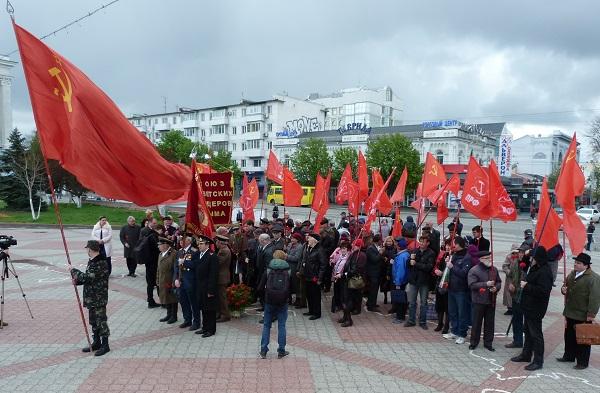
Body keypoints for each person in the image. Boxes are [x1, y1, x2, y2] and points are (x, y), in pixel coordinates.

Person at [510, 246, 553, 371]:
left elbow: (544, 291)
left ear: (538, 258)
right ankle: (526, 354)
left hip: (536, 308)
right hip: (528, 306)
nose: (531, 259)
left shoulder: (545, 272)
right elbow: (523, 261)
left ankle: (538, 361)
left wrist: (527, 286)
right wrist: (528, 253)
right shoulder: (535, 267)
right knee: (527, 332)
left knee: (536, 334)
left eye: (534, 257)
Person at [557, 253, 600, 370]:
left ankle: (582, 361)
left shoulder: (594, 278)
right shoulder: (572, 274)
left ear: (586, 266)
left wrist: (591, 314)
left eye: (578, 263)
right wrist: (563, 290)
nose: (575, 264)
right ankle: (569, 356)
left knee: (583, 339)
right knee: (569, 336)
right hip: (570, 311)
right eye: (575, 262)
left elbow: (595, 298)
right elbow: (565, 287)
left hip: (583, 314)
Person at [68, 240, 110, 356]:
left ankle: (105, 345)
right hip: (91, 297)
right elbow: (91, 280)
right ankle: (96, 342)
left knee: (101, 321)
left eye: (87, 249)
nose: (86, 250)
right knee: (93, 321)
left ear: (90, 249)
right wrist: (77, 282)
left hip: (98, 298)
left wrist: (73, 270)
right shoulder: (92, 261)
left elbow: (88, 277)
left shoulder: (100, 262)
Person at [258, 254, 291, 359]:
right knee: (281, 326)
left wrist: (264, 297)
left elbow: (260, 287)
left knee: (266, 325)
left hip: (269, 301)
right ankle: (281, 350)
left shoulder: (268, 270)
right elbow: (293, 287)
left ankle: (263, 350)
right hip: (282, 302)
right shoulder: (288, 270)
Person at [468, 251, 502, 351]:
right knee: (476, 323)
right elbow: (472, 285)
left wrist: (496, 287)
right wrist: (485, 284)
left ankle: (488, 343)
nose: (490, 260)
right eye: (487, 258)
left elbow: (499, 281)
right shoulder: (474, 270)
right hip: (479, 300)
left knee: (490, 323)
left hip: (491, 300)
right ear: (481, 259)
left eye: (490, 257)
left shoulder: (494, 269)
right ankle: (473, 342)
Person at [444, 236, 472, 344]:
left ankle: (462, 334)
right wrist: (447, 262)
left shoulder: (467, 257)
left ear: (459, 244)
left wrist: (452, 267)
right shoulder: (454, 255)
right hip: (451, 288)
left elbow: (464, 273)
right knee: (452, 312)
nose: (452, 246)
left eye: (453, 244)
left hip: (461, 290)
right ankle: (454, 331)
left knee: (462, 313)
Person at [405, 235, 434, 329]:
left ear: (427, 243)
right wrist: (410, 260)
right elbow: (408, 265)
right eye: (420, 241)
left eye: (423, 241)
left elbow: (428, 267)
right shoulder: (414, 251)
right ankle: (411, 320)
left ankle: (422, 321)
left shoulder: (431, 253)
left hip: (424, 281)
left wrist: (416, 263)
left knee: (423, 303)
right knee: (412, 302)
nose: (421, 243)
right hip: (413, 280)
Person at [505, 244, 530, 349]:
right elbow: (510, 275)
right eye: (519, 252)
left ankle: (528, 343)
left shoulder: (529, 266)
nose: (520, 254)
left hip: (525, 296)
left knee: (527, 322)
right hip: (515, 295)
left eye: (522, 253)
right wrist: (510, 283)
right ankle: (517, 340)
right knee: (516, 319)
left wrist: (519, 288)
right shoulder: (515, 262)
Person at [174, 234, 201, 330]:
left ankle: (196, 322)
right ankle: (187, 320)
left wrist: (184, 262)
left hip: (190, 281)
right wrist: (176, 278)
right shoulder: (179, 252)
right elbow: (176, 267)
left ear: (189, 241)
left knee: (193, 303)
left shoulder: (194, 252)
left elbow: (196, 265)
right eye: (180, 240)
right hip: (181, 281)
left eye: (183, 240)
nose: (181, 242)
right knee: (183, 301)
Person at [194, 235, 219, 338]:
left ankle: (211, 329)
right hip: (200, 287)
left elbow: (213, 275)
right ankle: (205, 327)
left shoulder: (212, 256)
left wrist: (211, 290)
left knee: (210, 309)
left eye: (201, 244)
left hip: (208, 287)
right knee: (203, 308)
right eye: (199, 243)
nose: (199, 245)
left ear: (207, 244)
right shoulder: (200, 254)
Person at [339, 239, 367, 327]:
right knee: (344, 298)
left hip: (353, 280)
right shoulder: (354, 254)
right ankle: (345, 316)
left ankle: (349, 320)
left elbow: (357, 269)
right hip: (348, 279)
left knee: (348, 300)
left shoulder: (361, 255)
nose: (353, 245)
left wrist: (345, 274)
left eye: (355, 244)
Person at [301, 233, 327, 320]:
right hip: (307, 275)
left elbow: (323, 265)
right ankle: (311, 310)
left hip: (315, 276)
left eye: (310, 238)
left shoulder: (319, 250)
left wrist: (320, 278)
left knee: (315, 296)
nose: (308, 239)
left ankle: (317, 313)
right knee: (309, 294)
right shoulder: (308, 248)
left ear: (315, 240)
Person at [138, 218, 160, 308]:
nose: (155, 224)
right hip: (152, 260)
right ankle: (153, 301)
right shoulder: (150, 233)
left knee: (151, 282)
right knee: (154, 281)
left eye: (156, 223)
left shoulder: (144, 231)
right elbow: (155, 246)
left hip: (149, 260)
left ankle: (151, 300)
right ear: (149, 223)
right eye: (154, 223)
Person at [156, 237, 178, 324]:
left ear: (165, 245)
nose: (158, 247)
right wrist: (157, 279)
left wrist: (174, 281)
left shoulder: (174, 254)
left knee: (172, 298)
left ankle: (174, 316)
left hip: (170, 279)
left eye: (159, 245)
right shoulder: (161, 254)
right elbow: (158, 269)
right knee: (165, 297)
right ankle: (168, 314)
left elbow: (176, 269)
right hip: (162, 279)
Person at [433, 239, 451, 333]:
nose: (447, 247)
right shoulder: (442, 254)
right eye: (447, 245)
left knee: (447, 307)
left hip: (449, 285)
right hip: (440, 283)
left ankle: (446, 326)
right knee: (439, 305)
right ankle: (440, 323)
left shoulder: (454, 257)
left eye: (450, 245)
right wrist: (436, 271)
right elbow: (436, 265)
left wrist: (443, 272)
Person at [330, 239, 352, 313]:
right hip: (337, 277)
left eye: (344, 248)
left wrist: (341, 274)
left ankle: (344, 310)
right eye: (342, 248)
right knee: (336, 292)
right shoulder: (340, 256)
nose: (342, 250)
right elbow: (336, 264)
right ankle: (338, 306)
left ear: (348, 249)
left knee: (343, 295)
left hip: (344, 279)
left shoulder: (349, 258)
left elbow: (349, 270)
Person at [392, 238, 410, 323]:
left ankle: (400, 317)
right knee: (403, 298)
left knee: (400, 299)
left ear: (399, 246)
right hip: (404, 280)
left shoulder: (402, 256)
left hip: (400, 281)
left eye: (396, 244)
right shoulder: (405, 254)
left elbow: (400, 270)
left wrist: (397, 282)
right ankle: (400, 315)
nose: (395, 245)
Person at [256, 233, 276, 310]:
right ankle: (264, 306)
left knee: (263, 290)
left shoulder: (269, 250)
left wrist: (265, 277)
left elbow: (268, 265)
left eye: (260, 240)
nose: (259, 242)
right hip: (262, 273)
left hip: (265, 274)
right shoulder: (265, 247)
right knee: (262, 291)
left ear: (264, 240)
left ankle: (266, 307)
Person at [215, 234, 232, 323]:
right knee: (220, 296)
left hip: (222, 277)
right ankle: (220, 313)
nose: (216, 243)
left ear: (220, 243)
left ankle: (225, 315)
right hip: (222, 276)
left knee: (222, 297)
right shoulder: (222, 250)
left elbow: (218, 263)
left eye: (217, 242)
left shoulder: (224, 251)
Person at [364, 234, 383, 312]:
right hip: (372, 273)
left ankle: (372, 303)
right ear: (378, 241)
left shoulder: (375, 247)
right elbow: (374, 259)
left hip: (377, 272)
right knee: (373, 290)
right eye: (380, 240)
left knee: (375, 289)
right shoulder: (370, 248)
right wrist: (380, 253)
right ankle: (371, 306)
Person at [501, 245, 520, 316]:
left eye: (516, 252)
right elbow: (504, 266)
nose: (515, 253)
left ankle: (515, 307)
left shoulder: (520, 257)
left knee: (516, 292)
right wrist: (509, 272)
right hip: (510, 278)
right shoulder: (509, 257)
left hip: (517, 278)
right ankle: (509, 308)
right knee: (508, 293)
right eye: (514, 252)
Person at [287, 232, 305, 306]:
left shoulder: (299, 247)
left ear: (298, 239)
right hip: (288, 267)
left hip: (295, 267)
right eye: (291, 238)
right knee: (289, 283)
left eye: (294, 238)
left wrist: (287, 256)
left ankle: (298, 299)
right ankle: (289, 298)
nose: (292, 239)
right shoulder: (290, 245)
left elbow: (297, 258)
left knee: (296, 284)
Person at [380, 236, 396, 306]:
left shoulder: (395, 249)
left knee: (392, 285)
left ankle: (393, 298)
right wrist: (383, 257)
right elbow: (380, 257)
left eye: (390, 241)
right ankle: (385, 297)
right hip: (384, 268)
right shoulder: (383, 249)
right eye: (387, 241)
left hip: (392, 268)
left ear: (392, 242)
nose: (388, 243)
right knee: (385, 284)